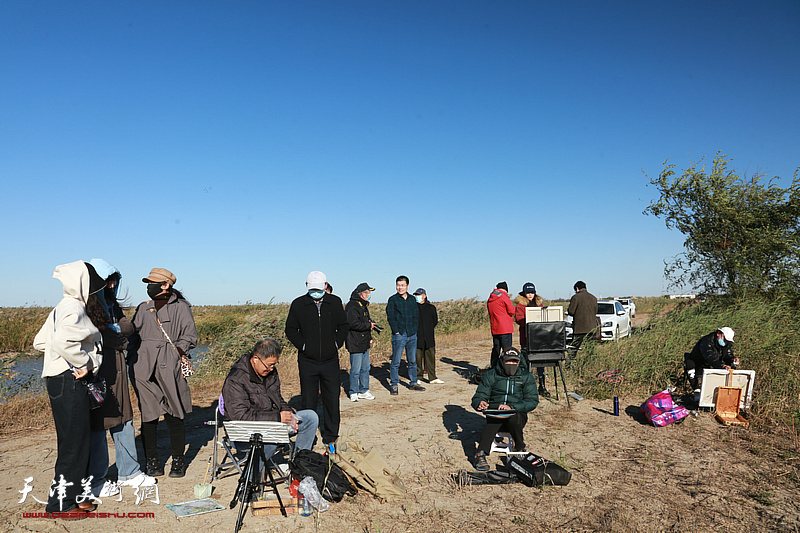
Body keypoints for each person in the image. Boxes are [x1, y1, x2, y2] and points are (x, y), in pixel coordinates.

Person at [33, 260, 106, 515]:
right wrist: (83, 361)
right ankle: (60, 505)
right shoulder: (75, 307)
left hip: (57, 380)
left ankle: (73, 496)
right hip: (70, 379)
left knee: (71, 441)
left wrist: (58, 355)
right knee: (75, 443)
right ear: (82, 282)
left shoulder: (60, 307)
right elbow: (63, 340)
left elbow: (40, 342)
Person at [86, 259, 156, 497]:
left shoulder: (111, 305)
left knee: (125, 421)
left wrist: (114, 332)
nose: (113, 285)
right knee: (99, 426)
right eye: (108, 280)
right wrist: (114, 333)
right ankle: (96, 479)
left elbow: (127, 328)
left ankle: (130, 473)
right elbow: (98, 335)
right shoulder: (85, 306)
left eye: (115, 280)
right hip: (96, 375)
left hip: (118, 372)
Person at [128, 268, 198, 478]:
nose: (150, 287)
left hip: (169, 364)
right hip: (143, 366)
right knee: (148, 415)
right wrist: (131, 359)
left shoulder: (181, 307)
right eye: (148, 283)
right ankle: (152, 460)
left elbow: (190, 335)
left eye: (153, 282)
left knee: (174, 413)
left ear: (166, 284)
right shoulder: (143, 307)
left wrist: (176, 352)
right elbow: (133, 335)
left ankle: (178, 459)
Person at [222, 338, 319, 461]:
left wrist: (289, 415)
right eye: (269, 365)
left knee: (310, 417)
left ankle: (300, 464)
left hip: (272, 425)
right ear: (255, 359)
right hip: (244, 433)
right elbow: (239, 416)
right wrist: (278, 418)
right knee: (271, 437)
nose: (272, 369)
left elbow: (278, 399)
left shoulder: (270, 372)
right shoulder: (235, 380)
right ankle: (252, 476)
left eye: (274, 364)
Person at [285, 271, 349, 454]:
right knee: (308, 400)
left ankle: (331, 436)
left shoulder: (335, 302)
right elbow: (290, 329)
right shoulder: (298, 304)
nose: (315, 292)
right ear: (306, 285)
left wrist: (337, 343)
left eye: (318, 289)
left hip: (330, 361)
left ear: (325, 285)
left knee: (331, 399)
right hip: (307, 362)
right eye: (312, 289)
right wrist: (303, 346)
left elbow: (343, 326)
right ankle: (309, 436)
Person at [471, 348, 539, 471]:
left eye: (514, 362)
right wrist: (479, 403)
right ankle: (480, 453)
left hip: (517, 417)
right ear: (502, 361)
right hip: (495, 414)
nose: (511, 364)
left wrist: (512, 407)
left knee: (513, 416)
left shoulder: (526, 376)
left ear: (519, 362)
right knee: (494, 420)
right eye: (508, 362)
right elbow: (479, 396)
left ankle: (519, 447)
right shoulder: (491, 375)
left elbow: (532, 401)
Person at [386, 275, 425, 395]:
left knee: (412, 361)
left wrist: (414, 330)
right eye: (398, 285)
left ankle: (413, 382)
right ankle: (394, 384)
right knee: (396, 361)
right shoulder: (393, 299)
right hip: (400, 334)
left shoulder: (412, 299)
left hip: (412, 333)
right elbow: (391, 317)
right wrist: (396, 331)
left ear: (407, 286)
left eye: (402, 285)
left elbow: (416, 315)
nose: (400, 287)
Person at [514, 282, 549, 397]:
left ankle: (542, 386)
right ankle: (526, 388)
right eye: (528, 293)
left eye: (532, 292)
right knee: (526, 364)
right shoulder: (520, 305)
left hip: (539, 339)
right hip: (526, 339)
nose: (530, 295)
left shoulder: (539, 304)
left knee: (540, 363)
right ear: (524, 293)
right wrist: (530, 321)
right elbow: (518, 319)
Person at [345, 282, 377, 402]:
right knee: (355, 369)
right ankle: (354, 391)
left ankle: (364, 390)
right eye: (368, 293)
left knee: (365, 368)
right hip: (355, 342)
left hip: (364, 341)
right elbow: (353, 323)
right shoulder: (352, 306)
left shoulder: (363, 305)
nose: (369, 295)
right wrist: (369, 325)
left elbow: (365, 322)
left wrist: (369, 336)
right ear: (361, 294)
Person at [684, 327, 739, 392]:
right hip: (698, 363)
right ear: (718, 334)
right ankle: (696, 389)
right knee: (690, 367)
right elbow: (709, 358)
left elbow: (727, 355)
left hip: (714, 363)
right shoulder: (706, 341)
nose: (725, 342)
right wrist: (722, 365)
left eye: (728, 341)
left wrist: (732, 359)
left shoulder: (726, 345)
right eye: (725, 339)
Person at [414, 288, 442, 384]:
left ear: (424, 296)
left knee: (430, 357)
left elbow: (435, 321)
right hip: (417, 337)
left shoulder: (431, 308)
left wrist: (428, 329)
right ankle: (418, 377)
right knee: (417, 358)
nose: (417, 297)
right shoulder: (413, 307)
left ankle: (432, 377)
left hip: (429, 337)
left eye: (419, 295)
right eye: (416, 295)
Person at [487, 281, 516, 368]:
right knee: (507, 350)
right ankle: (506, 368)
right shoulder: (504, 297)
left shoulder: (490, 298)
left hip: (495, 328)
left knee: (496, 349)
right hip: (505, 328)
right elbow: (512, 311)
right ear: (505, 289)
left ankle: (494, 367)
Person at [567, 281, 598, 350]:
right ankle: (590, 360)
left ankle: (572, 360)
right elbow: (595, 311)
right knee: (590, 349)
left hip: (579, 329)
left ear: (577, 288)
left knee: (574, 348)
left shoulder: (576, 297)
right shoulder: (593, 298)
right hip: (591, 328)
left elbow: (571, 311)